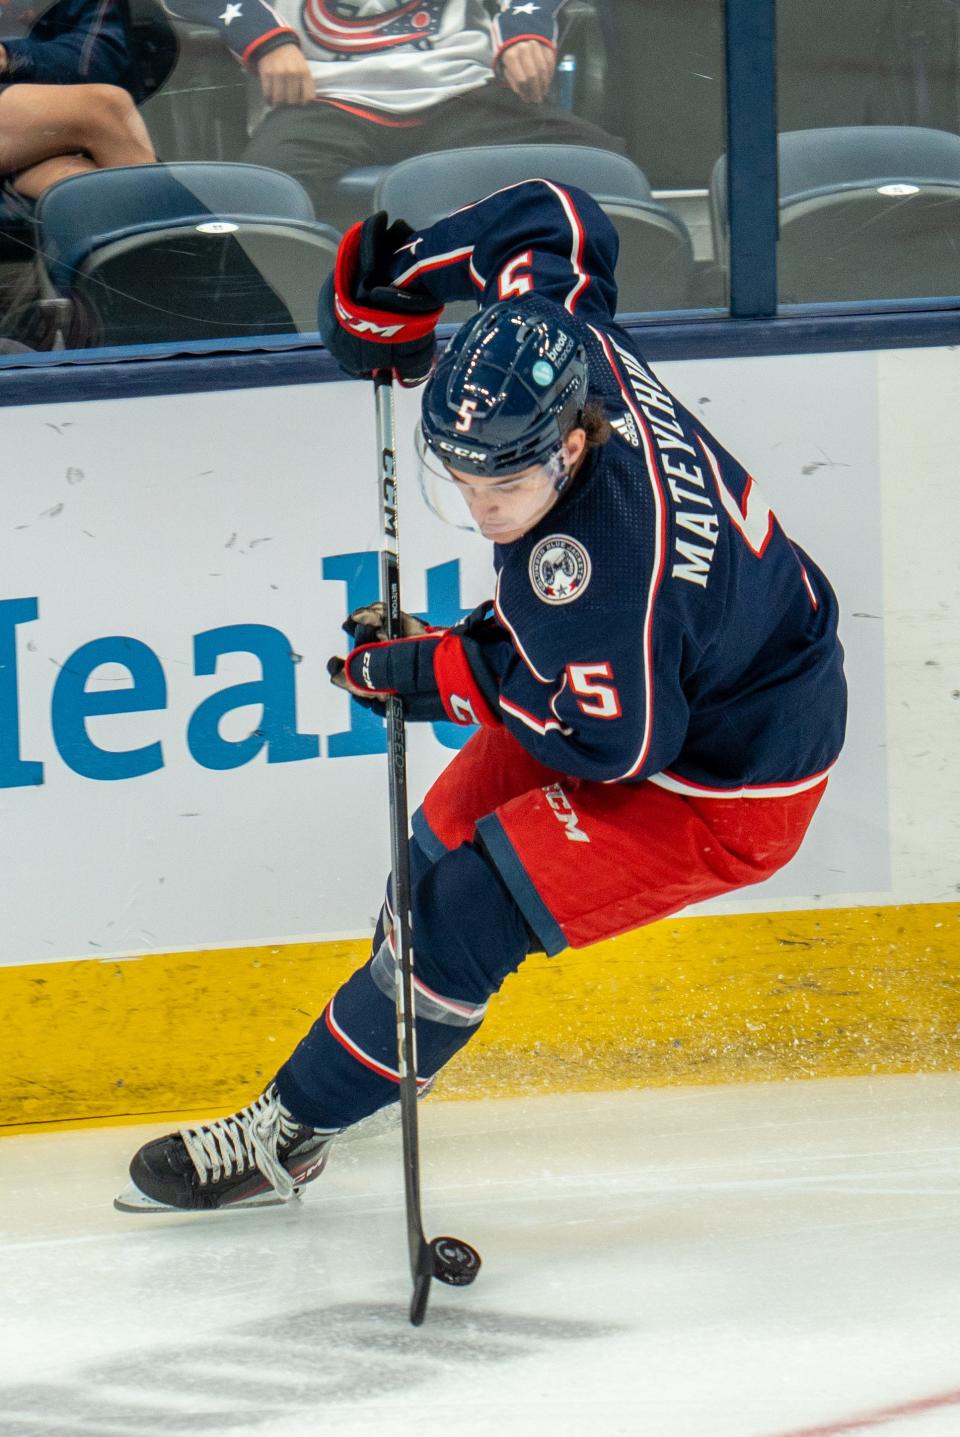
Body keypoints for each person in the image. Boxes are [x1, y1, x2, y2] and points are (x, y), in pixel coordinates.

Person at [116, 180, 848, 1215]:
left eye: (504, 488)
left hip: (723, 781)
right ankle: (379, 1039)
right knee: (429, 859)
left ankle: (291, 1130)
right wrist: (403, 278)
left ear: (573, 446)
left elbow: (616, 745)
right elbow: (551, 218)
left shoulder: (598, 571)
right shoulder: (561, 342)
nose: (481, 509)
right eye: (461, 482)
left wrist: (439, 674)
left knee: (458, 918)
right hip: (691, 665)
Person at [159, 0, 622, 228]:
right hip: (324, 98)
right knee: (259, 203)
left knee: (602, 168)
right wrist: (263, 36)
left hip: (459, 90)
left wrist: (525, 30)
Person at [0, 0, 156, 202]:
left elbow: (95, 56)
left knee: (82, 185)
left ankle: (172, 224)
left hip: (41, 122)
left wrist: (11, 55)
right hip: (48, 111)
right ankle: (171, 224)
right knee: (104, 106)